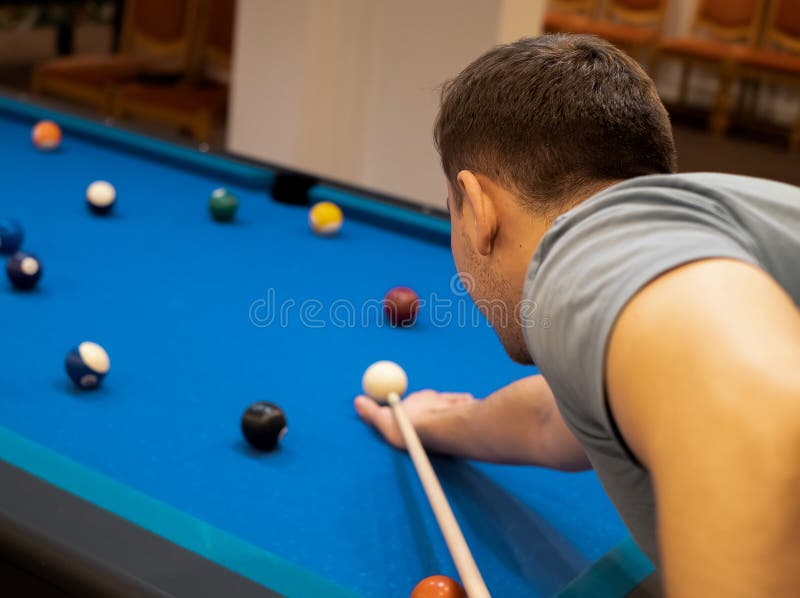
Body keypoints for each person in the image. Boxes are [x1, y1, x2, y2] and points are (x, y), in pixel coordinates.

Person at [354, 34, 800, 595]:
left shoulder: (581, 254)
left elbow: (752, 413)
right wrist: (436, 425)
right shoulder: (664, 238)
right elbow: (556, 418)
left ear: (476, 209)